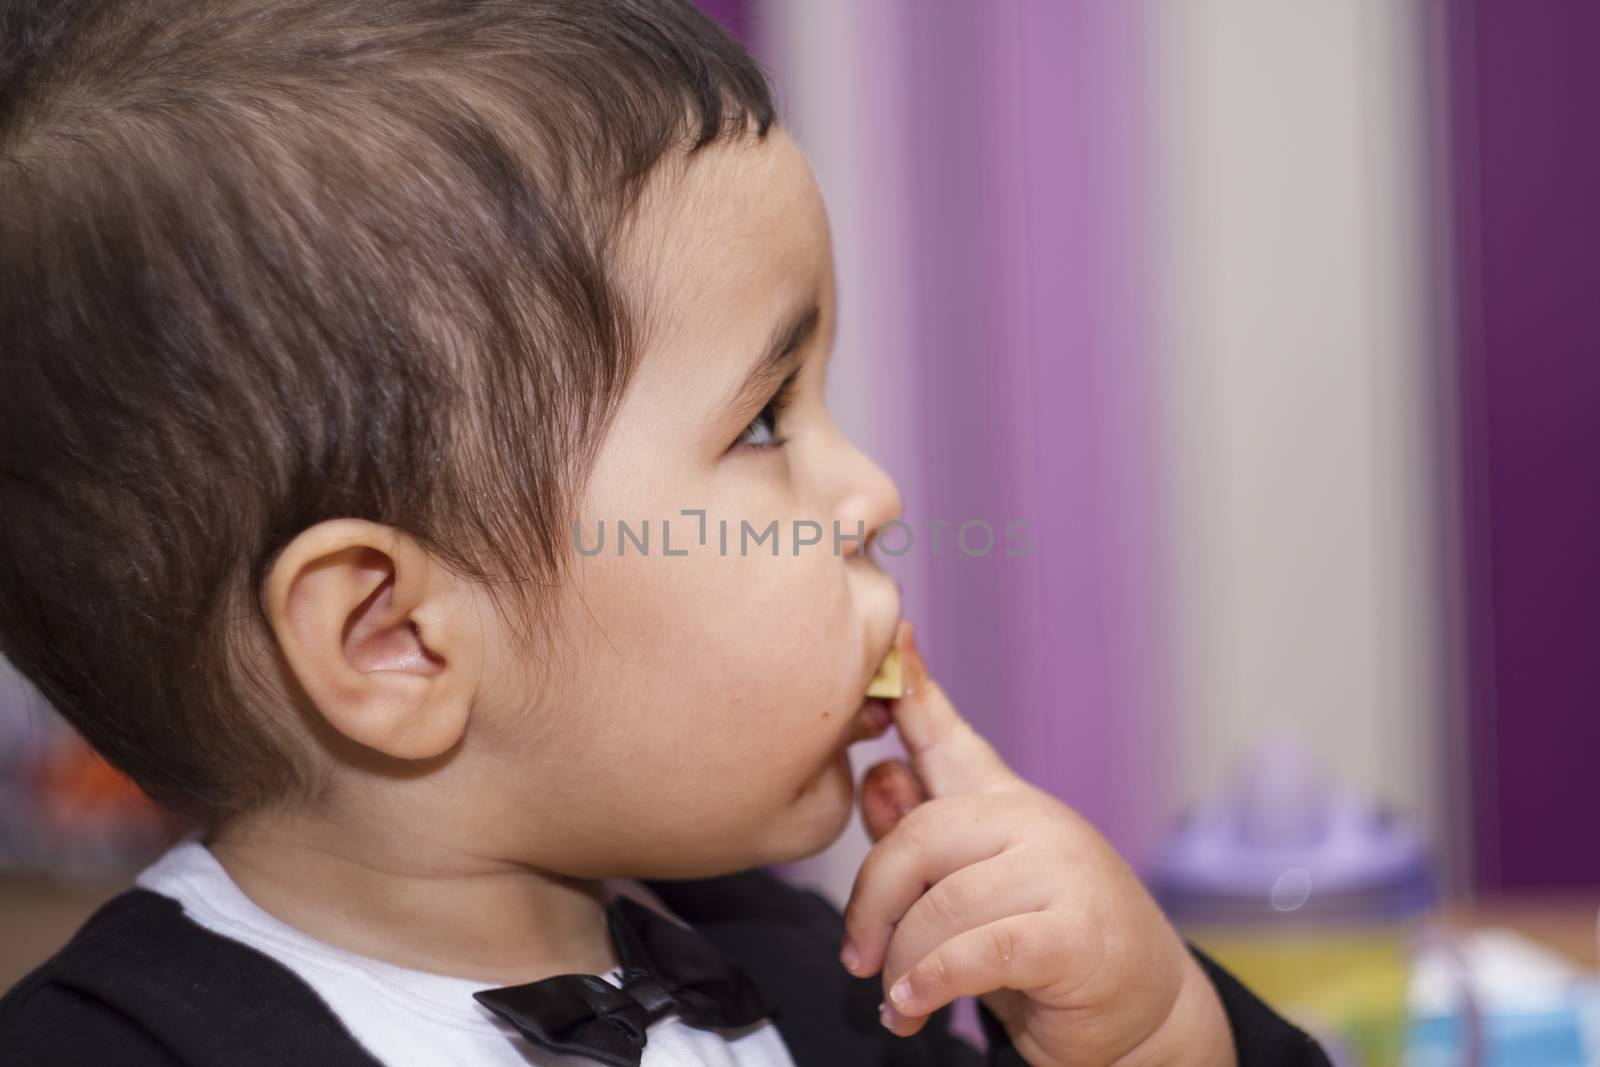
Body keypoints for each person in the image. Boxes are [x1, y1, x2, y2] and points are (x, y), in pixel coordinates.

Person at [0, 1, 1331, 1064]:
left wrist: (1148, 1034)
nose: (872, 491)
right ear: (394, 638)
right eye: (764, 423)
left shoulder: (823, 972)